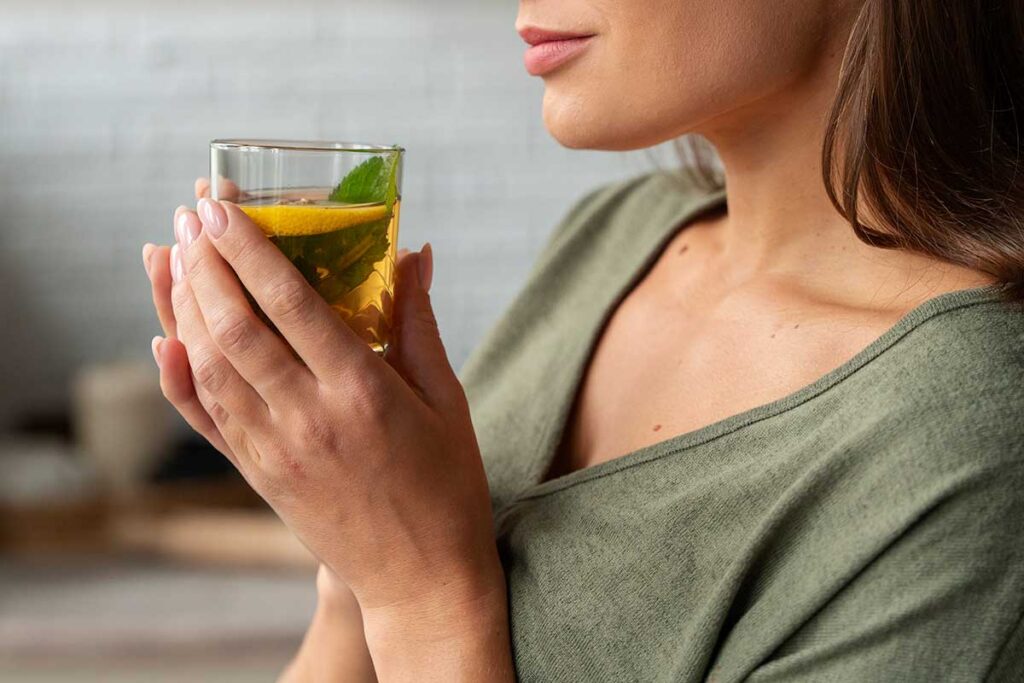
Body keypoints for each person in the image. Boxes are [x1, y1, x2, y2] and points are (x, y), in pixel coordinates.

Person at [141, 0, 1024, 680]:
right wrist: (350, 544)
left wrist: (422, 594)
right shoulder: (615, 236)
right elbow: (358, 615)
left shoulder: (971, 432)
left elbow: (410, 587)